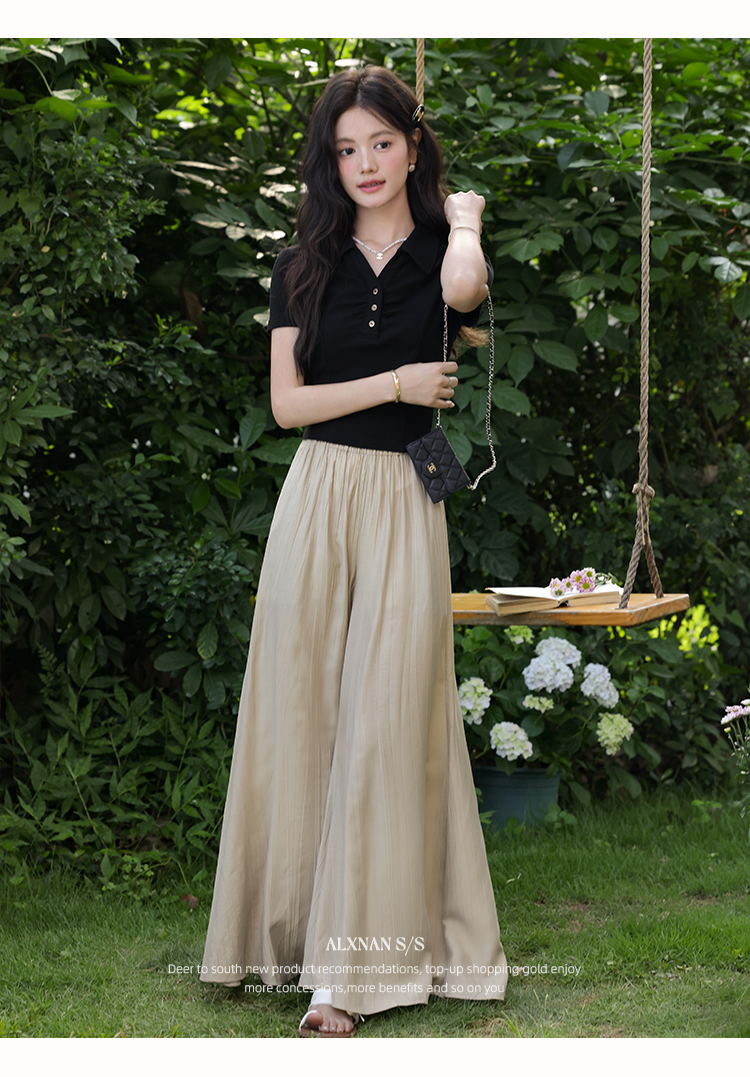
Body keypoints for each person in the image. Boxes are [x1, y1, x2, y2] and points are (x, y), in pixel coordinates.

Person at [200, 64, 508, 1037]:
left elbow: (468, 290)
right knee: (299, 708)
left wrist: (465, 218)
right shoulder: (305, 263)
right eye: (347, 148)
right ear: (329, 162)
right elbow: (287, 407)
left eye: (382, 142)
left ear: (412, 147)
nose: (366, 163)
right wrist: (395, 384)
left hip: (405, 499)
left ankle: (347, 973)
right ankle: (283, 942)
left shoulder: (441, 256)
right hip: (318, 493)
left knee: (386, 719)